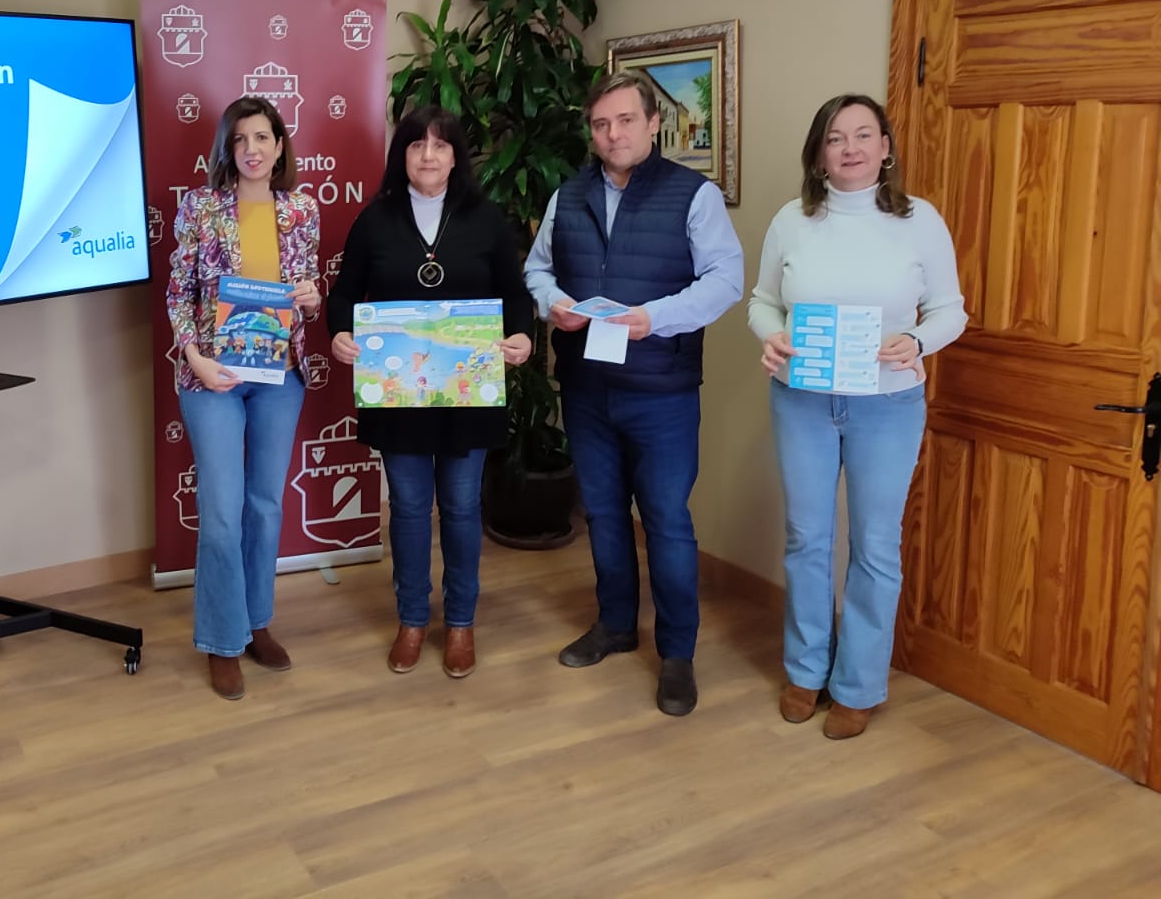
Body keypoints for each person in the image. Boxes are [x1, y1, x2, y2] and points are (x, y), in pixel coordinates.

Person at [525, 69, 743, 716]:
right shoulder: (568, 196)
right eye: (600, 124)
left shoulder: (693, 195)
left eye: (624, 120)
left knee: (669, 523)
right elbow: (536, 268)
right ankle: (616, 625)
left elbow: (725, 280)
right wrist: (554, 304)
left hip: (662, 391)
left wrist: (656, 317)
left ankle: (677, 654)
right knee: (603, 514)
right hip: (588, 387)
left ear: (653, 124)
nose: (612, 133)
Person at [748, 93, 965, 739]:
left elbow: (952, 308)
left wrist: (919, 341)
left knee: (874, 544)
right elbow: (762, 302)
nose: (850, 148)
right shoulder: (792, 220)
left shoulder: (920, 221)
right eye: (836, 138)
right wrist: (773, 336)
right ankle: (805, 670)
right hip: (804, 398)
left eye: (864, 135)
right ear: (818, 154)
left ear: (886, 147)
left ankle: (859, 684)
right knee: (806, 539)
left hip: (888, 403)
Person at [328, 107, 532, 678]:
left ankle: (461, 622)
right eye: (417, 144)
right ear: (402, 154)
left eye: (440, 146)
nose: (428, 155)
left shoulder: (486, 219)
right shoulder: (375, 221)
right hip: (399, 397)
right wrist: (341, 334)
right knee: (412, 509)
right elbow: (344, 294)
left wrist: (520, 335)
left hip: (467, 394)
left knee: (464, 508)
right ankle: (413, 619)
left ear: (456, 157)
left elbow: (514, 295)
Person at [166, 96, 322, 701]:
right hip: (213, 374)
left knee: (265, 506)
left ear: (280, 145)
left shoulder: (302, 211)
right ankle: (221, 640)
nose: (253, 149)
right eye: (241, 140)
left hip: (278, 371)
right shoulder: (201, 208)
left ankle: (258, 623)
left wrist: (311, 298)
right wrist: (194, 357)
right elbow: (179, 293)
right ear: (227, 150)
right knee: (224, 510)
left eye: (263, 137)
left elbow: (305, 289)